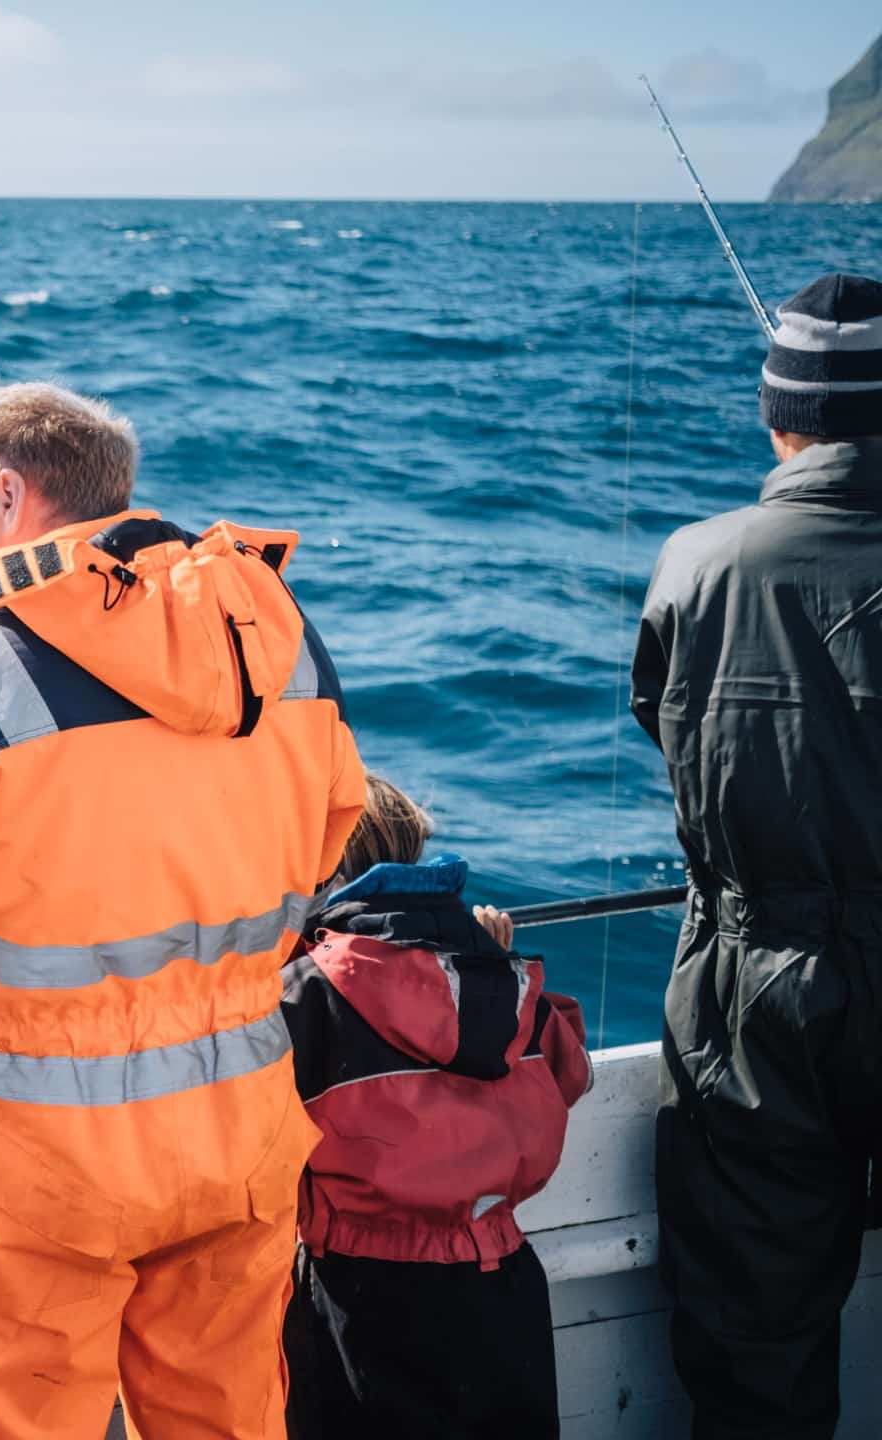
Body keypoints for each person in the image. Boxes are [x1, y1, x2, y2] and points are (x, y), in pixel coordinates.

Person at [0, 372, 366, 1439]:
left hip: (44, 1178)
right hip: (242, 1137)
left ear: (8, 500)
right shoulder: (283, 647)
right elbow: (322, 862)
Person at [631, 272, 882, 1440]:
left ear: (781, 417)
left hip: (753, 991)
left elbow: (660, 719)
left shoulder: (696, 562)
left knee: (756, 1339)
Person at [279, 774, 591, 1440]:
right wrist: (492, 958)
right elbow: (569, 1074)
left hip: (360, 1295)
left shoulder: (306, 992)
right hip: (501, 1287)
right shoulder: (500, 979)